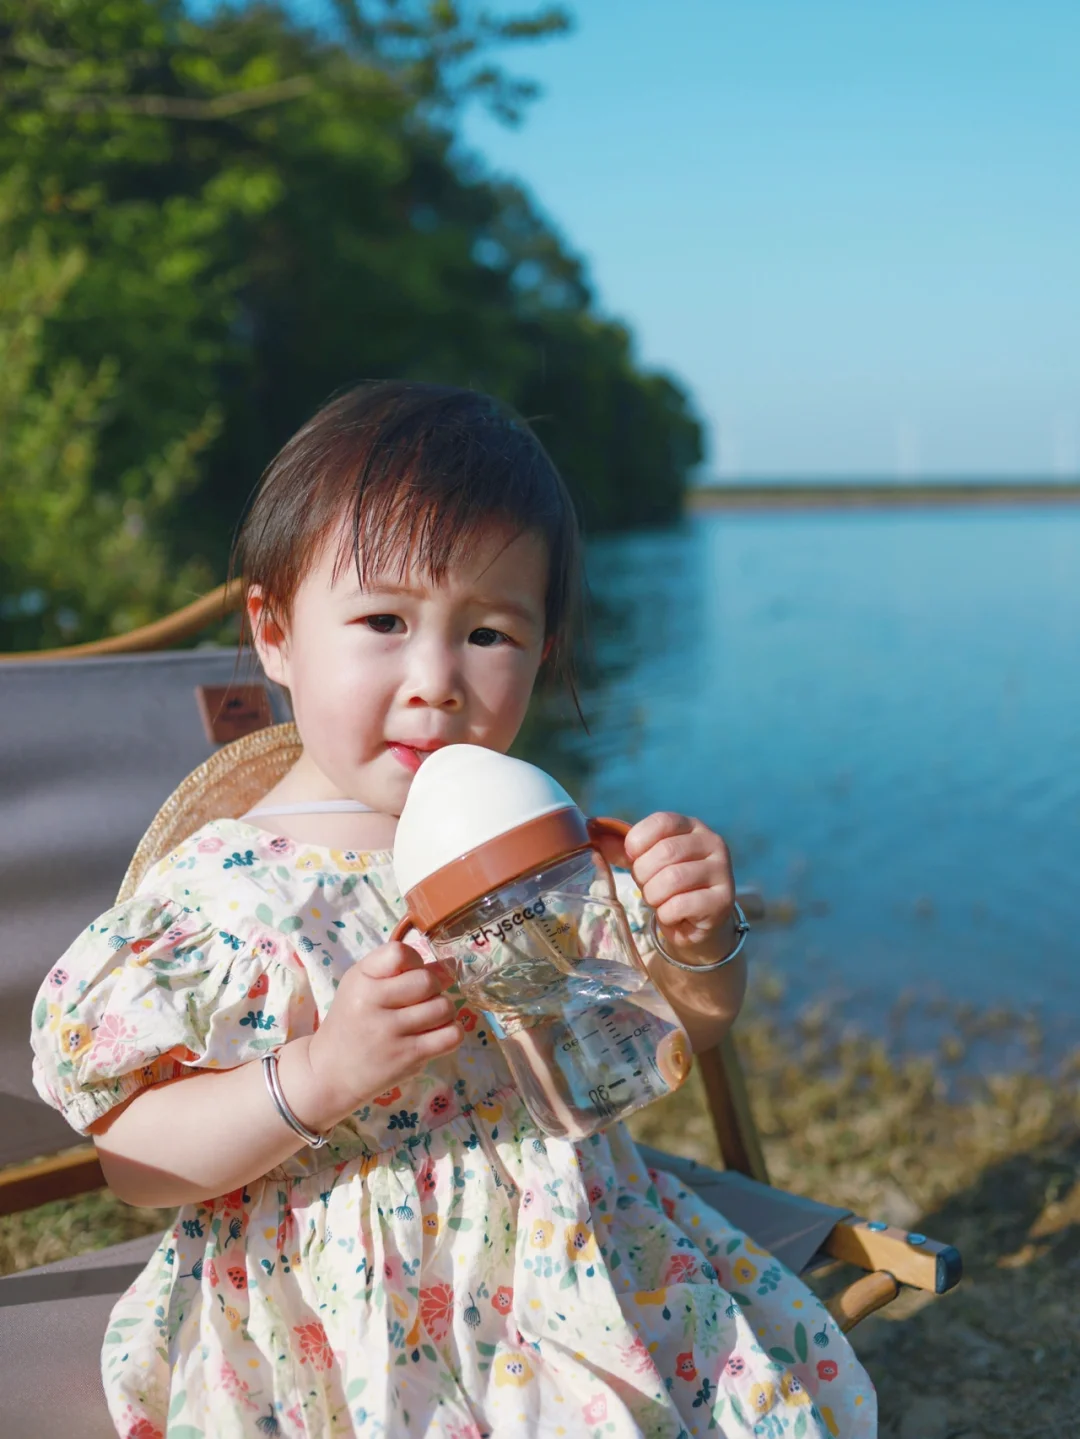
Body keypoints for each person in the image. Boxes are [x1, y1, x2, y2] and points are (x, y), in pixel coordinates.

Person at [31, 382, 875, 1438]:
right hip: (343, 1315)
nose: (435, 680)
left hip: (577, 1261)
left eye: (487, 632)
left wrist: (698, 943)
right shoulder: (225, 897)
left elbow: (668, 1034)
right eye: (383, 620)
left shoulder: (528, 849)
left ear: (543, 650)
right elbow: (137, 1163)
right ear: (276, 631)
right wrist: (322, 1070)